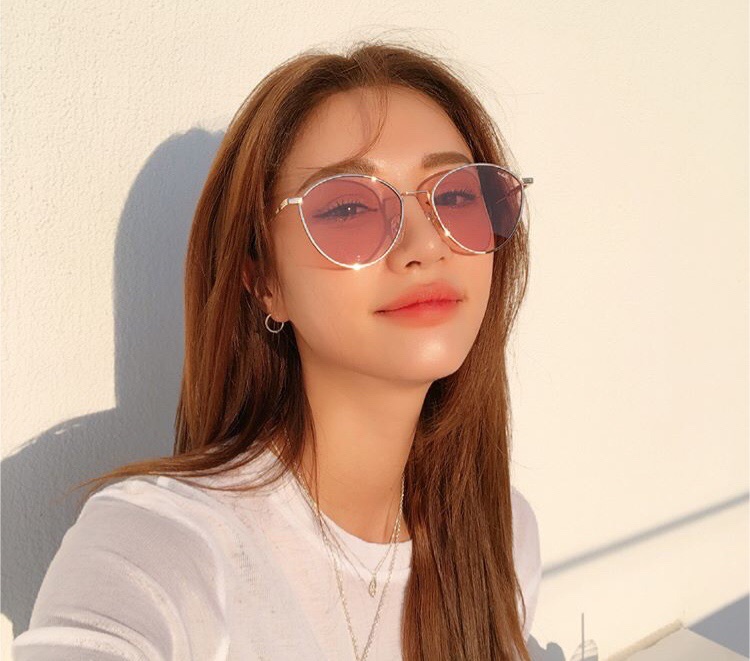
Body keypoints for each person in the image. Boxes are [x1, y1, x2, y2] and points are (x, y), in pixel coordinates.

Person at [12, 39, 541, 661]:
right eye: (349, 207)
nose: (425, 244)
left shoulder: (502, 535)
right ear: (265, 280)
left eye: (455, 196)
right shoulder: (157, 545)